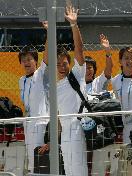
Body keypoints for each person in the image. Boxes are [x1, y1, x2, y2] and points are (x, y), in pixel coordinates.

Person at [39, 5, 88, 176]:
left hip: (77, 127)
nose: (61, 66)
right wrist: (54, 140)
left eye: (64, 63)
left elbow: (79, 50)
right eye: (57, 63)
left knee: (79, 171)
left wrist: (73, 25)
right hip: (65, 133)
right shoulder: (53, 87)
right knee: (68, 171)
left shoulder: (77, 74)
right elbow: (58, 117)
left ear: (69, 63)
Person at [18, 42, 49, 172]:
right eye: (24, 60)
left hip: (41, 123)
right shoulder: (21, 80)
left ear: (36, 60)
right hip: (28, 124)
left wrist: (49, 31)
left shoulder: (41, 74)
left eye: (30, 59)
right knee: (31, 159)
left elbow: (47, 57)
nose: (27, 62)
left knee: (41, 158)